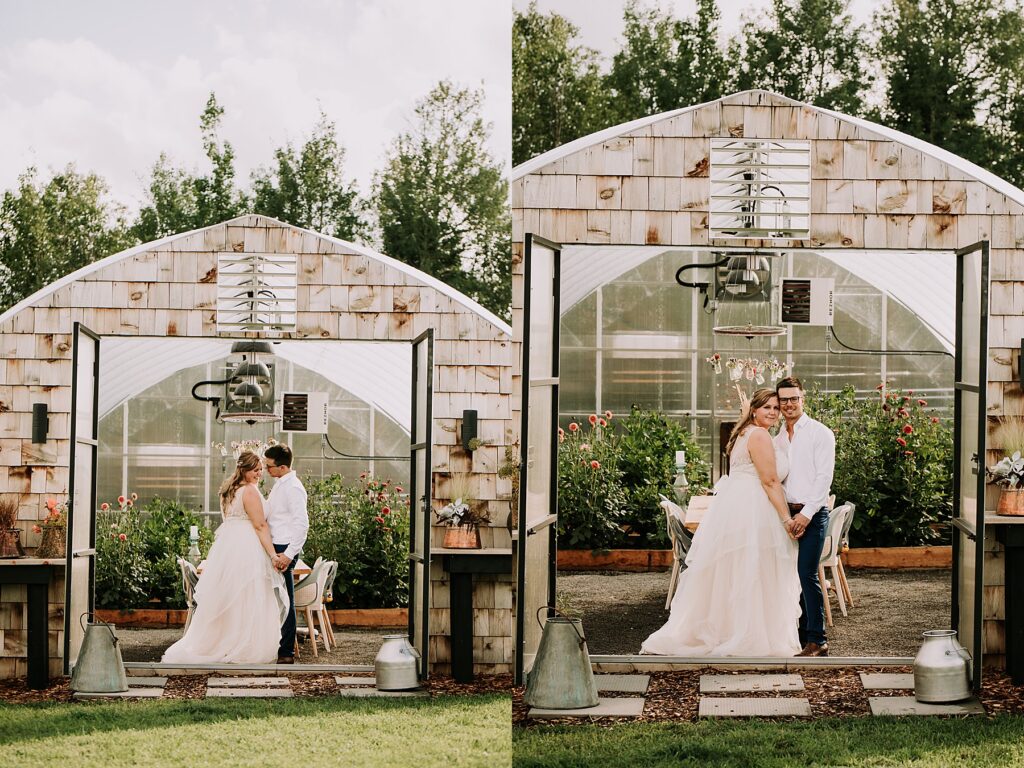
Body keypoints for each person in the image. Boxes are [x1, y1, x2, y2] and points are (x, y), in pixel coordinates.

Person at [641, 388, 802, 656]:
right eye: (767, 407)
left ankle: (730, 629)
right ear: (754, 410)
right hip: (755, 509)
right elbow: (770, 480)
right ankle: (748, 635)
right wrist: (786, 518)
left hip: (735, 508)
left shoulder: (743, 433)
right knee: (753, 571)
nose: (773, 412)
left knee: (738, 572)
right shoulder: (759, 435)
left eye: (776, 407)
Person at [162, 451, 288, 664]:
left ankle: (225, 640)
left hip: (228, 546)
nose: (260, 474)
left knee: (231, 594)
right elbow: (260, 525)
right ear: (245, 470)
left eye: (260, 470)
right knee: (248, 595)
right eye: (256, 470)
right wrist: (272, 554)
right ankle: (240, 644)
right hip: (246, 546)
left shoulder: (227, 490)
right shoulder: (248, 491)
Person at [774, 376, 836, 657]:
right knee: (788, 575)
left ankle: (817, 639)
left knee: (806, 573)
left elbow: (824, 478)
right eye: (783, 399)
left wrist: (807, 515)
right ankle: (798, 635)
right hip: (787, 516)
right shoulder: (776, 439)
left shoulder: (820, 433)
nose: (788, 404)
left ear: (803, 399)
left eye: (793, 398)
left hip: (813, 514)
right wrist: (786, 517)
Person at [263, 443, 309, 664]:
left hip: (284, 549)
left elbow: (302, 525)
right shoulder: (281, 484)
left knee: (286, 600)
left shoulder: (293, 488)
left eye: (269, 466)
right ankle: (279, 646)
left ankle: (287, 651)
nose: (266, 470)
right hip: (277, 547)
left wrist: (289, 555)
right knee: (279, 599)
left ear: (281, 467)